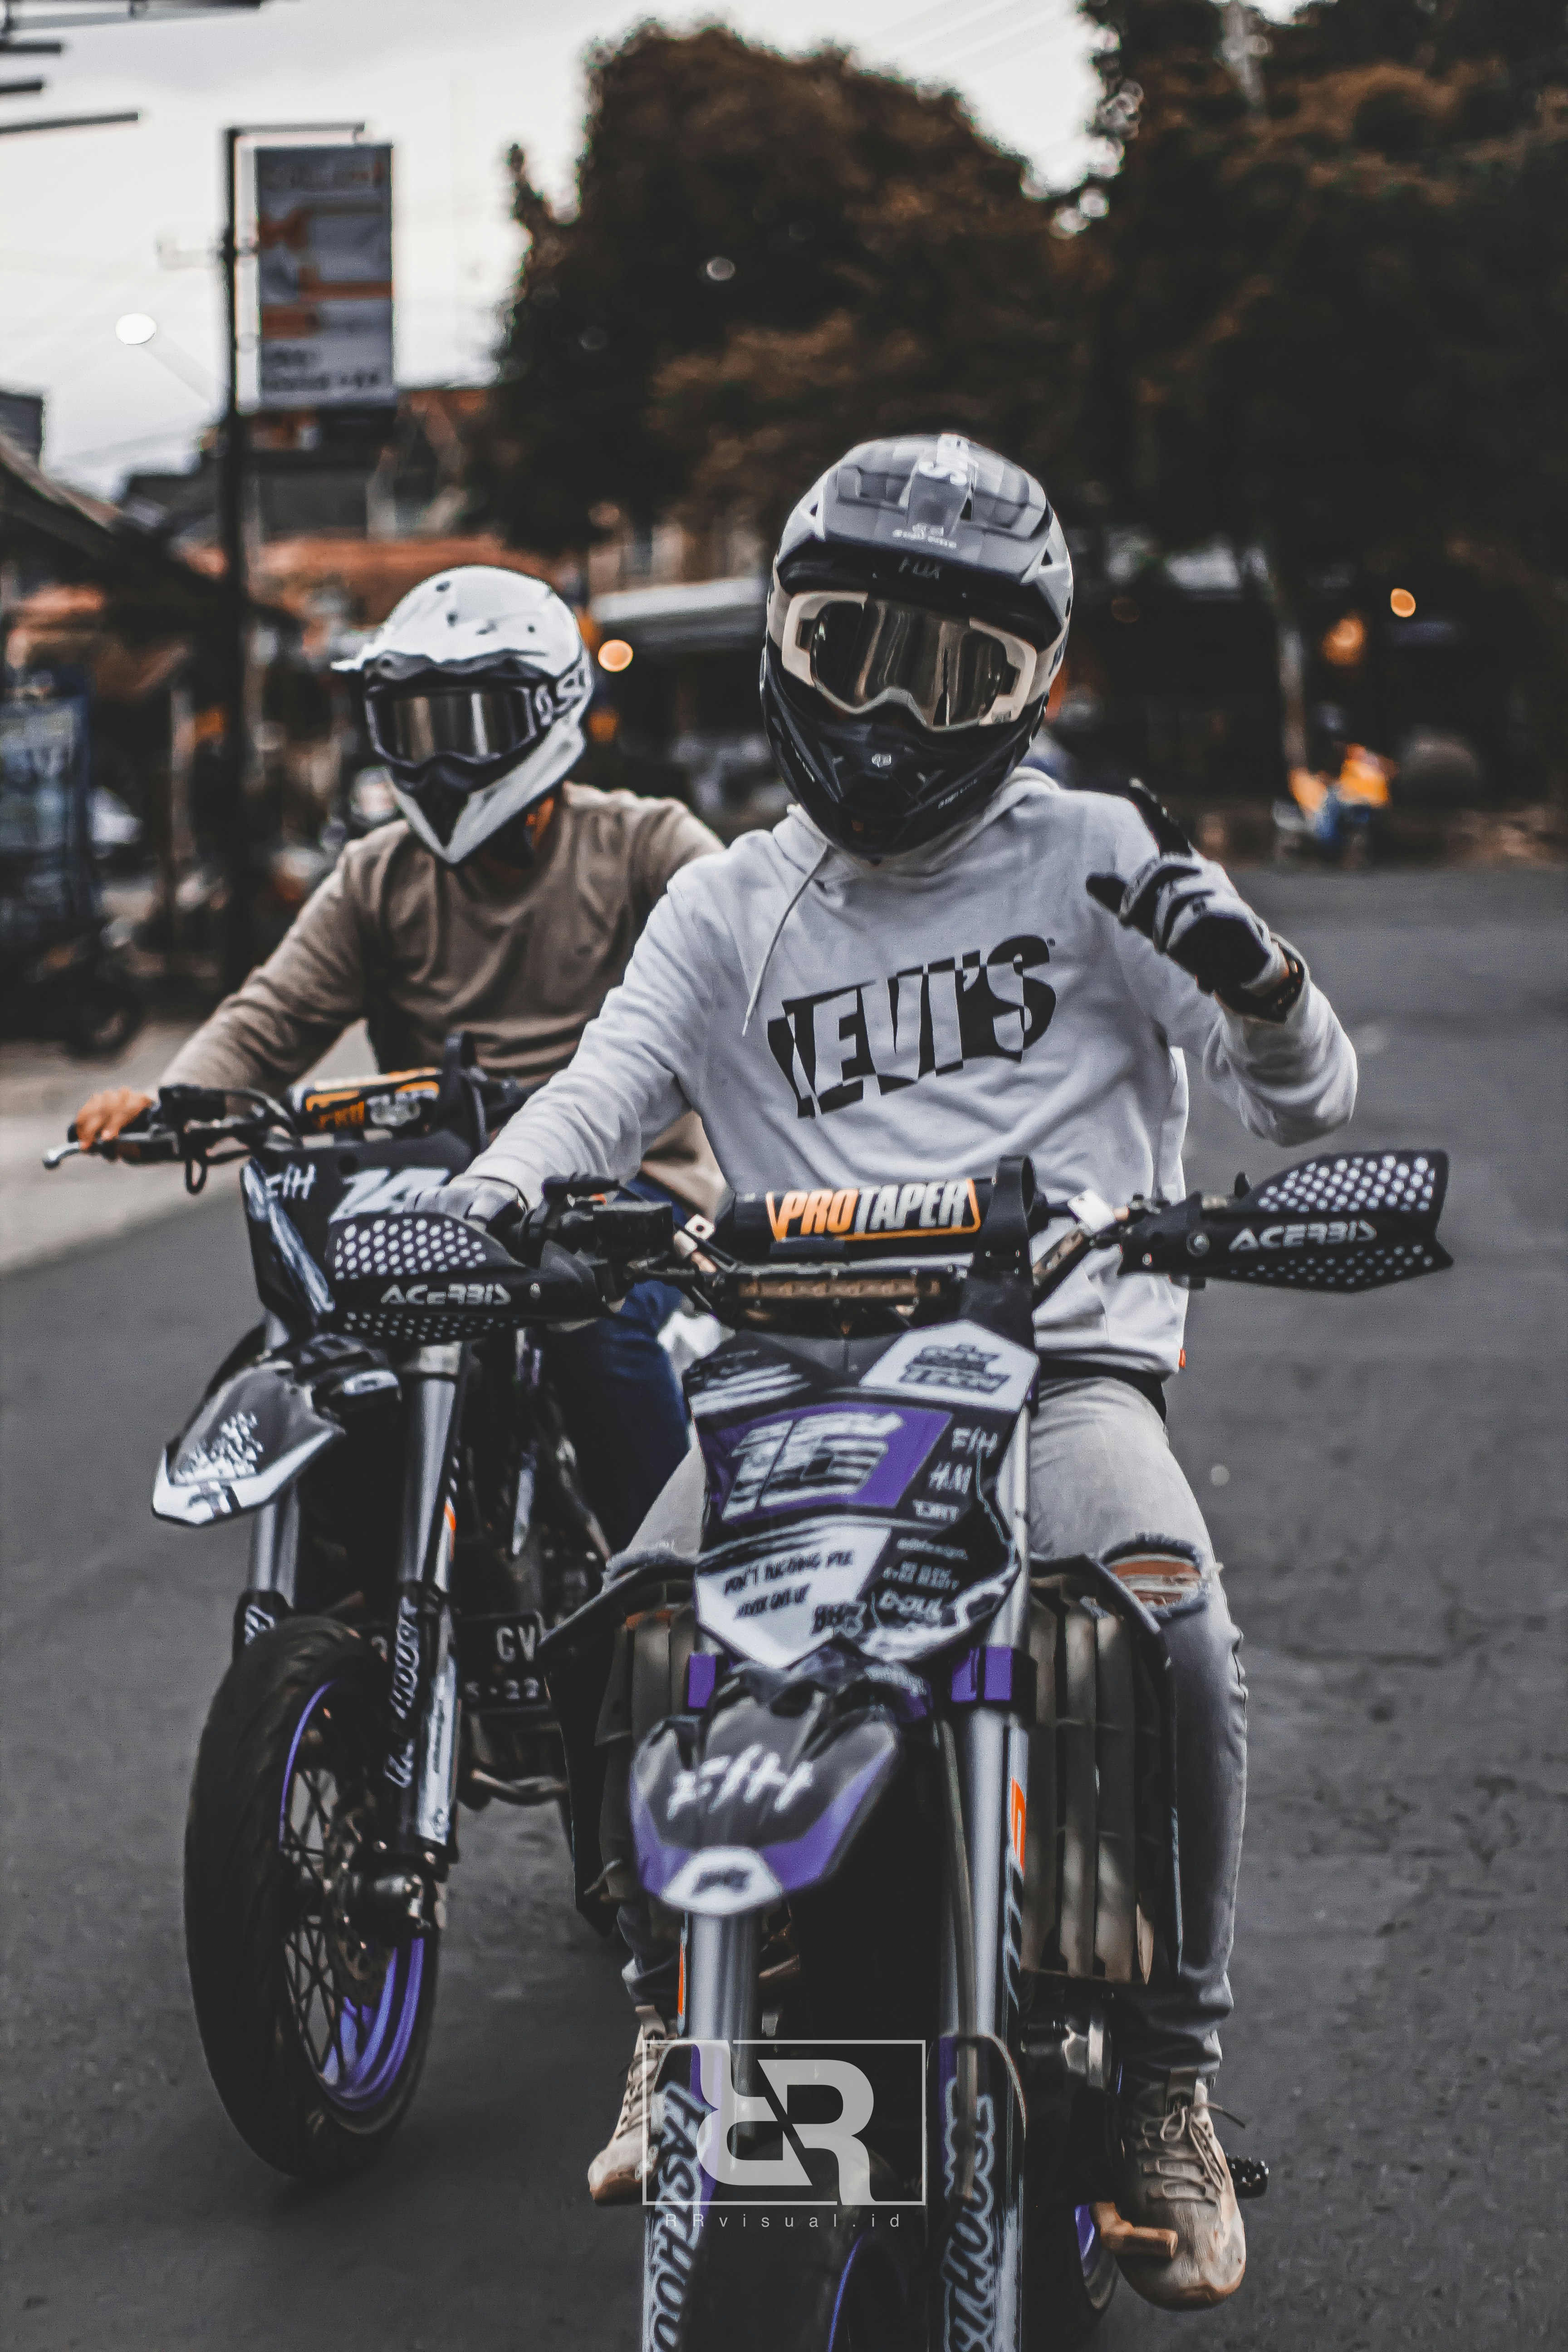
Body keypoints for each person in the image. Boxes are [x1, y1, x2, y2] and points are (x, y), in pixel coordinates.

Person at [406, 437, 1356, 2304]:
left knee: (1167, 1625)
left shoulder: (1101, 855)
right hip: (790, 1396)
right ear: (785, 641)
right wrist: (475, 1209)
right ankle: (672, 2018)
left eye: (954, 670)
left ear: (1032, 689)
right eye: (855, 651)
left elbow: (1307, 1097)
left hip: (1054, 1377)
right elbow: (597, 1096)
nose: (896, 713)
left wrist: (1259, 981)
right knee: (633, 1626)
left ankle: (1167, 2078)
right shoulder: (728, 902)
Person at [72, 564, 724, 1548]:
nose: (439, 758)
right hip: (438, 1197)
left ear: (548, 711)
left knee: (599, 1338)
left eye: (469, 723)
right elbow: (271, 1018)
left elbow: (752, 962)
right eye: (415, 726)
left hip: (625, 1203)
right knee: (327, 1354)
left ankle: (662, 1595)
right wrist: (170, 1103)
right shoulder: (376, 876)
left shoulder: (646, 845)